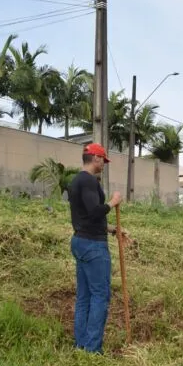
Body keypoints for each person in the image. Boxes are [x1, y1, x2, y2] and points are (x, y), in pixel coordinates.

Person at [67, 143, 122, 353]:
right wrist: (113, 202)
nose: (104, 165)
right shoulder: (89, 180)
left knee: (84, 295)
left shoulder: (76, 181)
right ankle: (92, 348)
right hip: (93, 247)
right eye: (103, 161)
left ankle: (80, 344)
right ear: (96, 158)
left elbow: (85, 218)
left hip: (81, 241)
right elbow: (94, 211)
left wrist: (112, 229)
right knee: (100, 295)